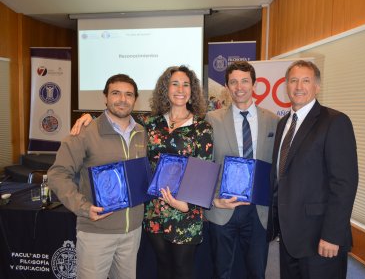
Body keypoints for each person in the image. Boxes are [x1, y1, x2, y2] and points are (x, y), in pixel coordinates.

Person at [71, 66, 213, 279]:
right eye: (175, 83)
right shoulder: (151, 123)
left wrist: (186, 204)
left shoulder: (202, 128)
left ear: (192, 91)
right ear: (166, 88)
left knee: (183, 270)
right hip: (153, 210)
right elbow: (118, 113)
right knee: (162, 266)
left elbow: (205, 170)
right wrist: (88, 116)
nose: (180, 89)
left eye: (186, 84)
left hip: (185, 210)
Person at [48, 74, 147, 279]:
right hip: (96, 231)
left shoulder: (141, 132)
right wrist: (83, 207)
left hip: (132, 232)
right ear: (105, 97)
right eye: (116, 93)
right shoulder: (85, 132)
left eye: (129, 94)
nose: (122, 99)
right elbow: (57, 174)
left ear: (135, 99)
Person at [267, 60, 358, 279]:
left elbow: (344, 183)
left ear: (317, 86)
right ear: (286, 86)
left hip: (320, 238)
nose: (299, 86)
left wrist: (332, 235)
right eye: (293, 80)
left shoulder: (335, 122)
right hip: (288, 236)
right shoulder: (283, 124)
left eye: (306, 80)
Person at [204, 61, 279, 279]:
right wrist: (212, 200)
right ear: (226, 87)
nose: (239, 87)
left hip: (258, 211)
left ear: (254, 84)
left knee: (257, 272)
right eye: (233, 82)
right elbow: (205, 163)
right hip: (222, 208)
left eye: (245, 81)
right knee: (222, 272)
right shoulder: (211, 120)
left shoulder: (274, 121)